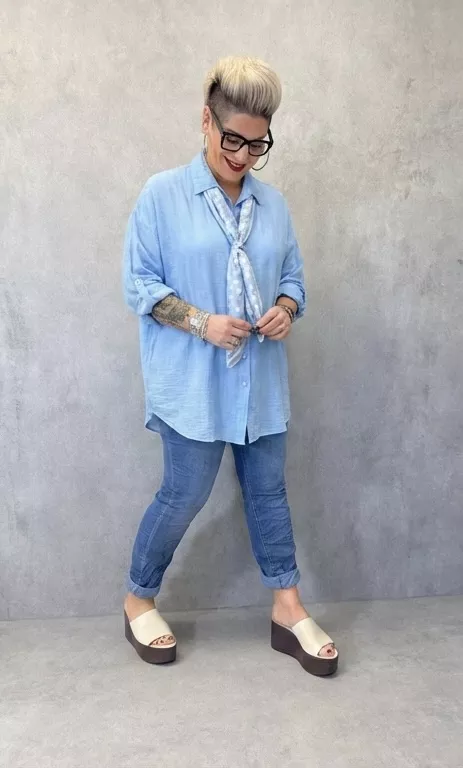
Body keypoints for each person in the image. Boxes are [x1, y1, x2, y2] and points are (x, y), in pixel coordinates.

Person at [122, 56, 338, 676]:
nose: (243, 155)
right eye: (233, 139)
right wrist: (202, 322)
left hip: (260, 381)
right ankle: (138, 598)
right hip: (192, 382)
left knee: (268, 491)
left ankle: (287, 607)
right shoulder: (163, 195)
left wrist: (285, 309)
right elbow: (140, 285)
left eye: (257, 144)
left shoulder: (274, 206)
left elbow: (293, 278)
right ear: (206, 122)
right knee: (184, 492)